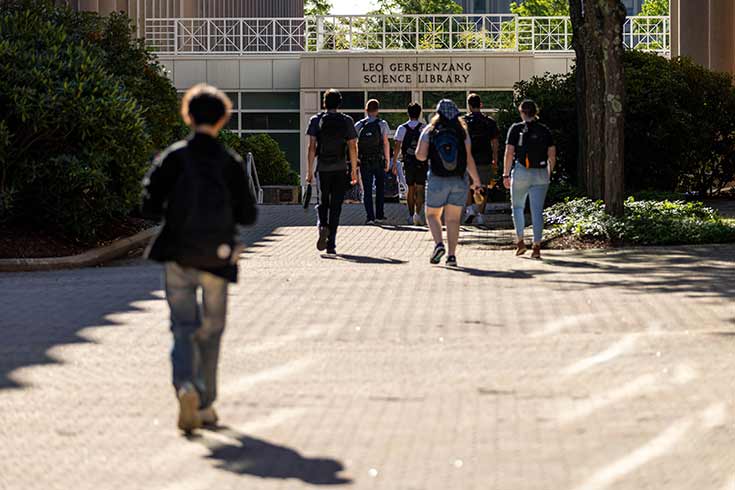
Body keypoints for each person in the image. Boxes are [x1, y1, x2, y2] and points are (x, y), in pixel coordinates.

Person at [141, 84, 258, 433]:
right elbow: (249, 215)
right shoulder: (229, 162)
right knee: (212, 330)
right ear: (222, 119)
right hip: (218, 257)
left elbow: (148, 204)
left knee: (182, 328)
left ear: (188, 116)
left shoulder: (174, 157)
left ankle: (185, 387)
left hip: (177, 253)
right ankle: (205, 404)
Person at [415, 99, 482, 267]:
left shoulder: (430, 130)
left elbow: (420, 155)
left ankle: (438, 244)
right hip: (459, 180)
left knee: (432, 214)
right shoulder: (462, 132)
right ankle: (452, 257)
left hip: (437, 178)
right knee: (453, 220)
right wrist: (477, 181)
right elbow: (468, 159)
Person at [306, 89, 359, 254]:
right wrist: (354, 172)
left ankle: (323, 225)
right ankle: (331, 244)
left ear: (324, 103)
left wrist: (309, 171)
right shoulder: (347, 121)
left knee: (323, 201)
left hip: (323, 168)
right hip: (340, 168)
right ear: (339, 103)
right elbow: (352, 146)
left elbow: (311, 147)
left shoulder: (316, 120)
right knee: (336, 206)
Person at [503, 99, 556, 259]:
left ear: (521, 112)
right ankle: (537, 246)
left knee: (517, 207)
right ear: (535, 112)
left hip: (521, 172)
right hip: (540, 173)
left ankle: (520, 242)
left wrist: (505, 174)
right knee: (537, 211)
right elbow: (552, 155)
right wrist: (549, 172)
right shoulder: (545, 130)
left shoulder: (516, 129)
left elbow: (509, 153)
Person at [462, 93, 500, 226]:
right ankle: (481, 215)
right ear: (481, 105)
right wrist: (495, 158)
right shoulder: (489, 122)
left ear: (469, 106)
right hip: (485, 158)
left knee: (467, 185)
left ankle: (470, 209)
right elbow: (495, 142)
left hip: (468, 159)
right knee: (483, 187)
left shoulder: (464, 121)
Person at [354, 99, 391, 225]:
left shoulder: (359, 125)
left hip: (364, 161)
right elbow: (386, 143)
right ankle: (379, 215)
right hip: (378, 160)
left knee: (367, 190)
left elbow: (354, 143)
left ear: (366, 109)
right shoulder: (382, 124)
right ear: (377, 110)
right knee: (380, 188)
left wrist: (356, 160)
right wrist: (387, 160)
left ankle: (370, 217)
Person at [392, 101, 427, 225]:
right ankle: (418, 214)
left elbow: (397, 146)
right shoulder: (424, 128)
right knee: (420, 188)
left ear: (408, 113)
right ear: (419, 113)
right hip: (421, 161)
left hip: (408, 161)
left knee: (410, 188)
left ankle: (410, 215)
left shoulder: (402, 128)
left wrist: (394, 162)